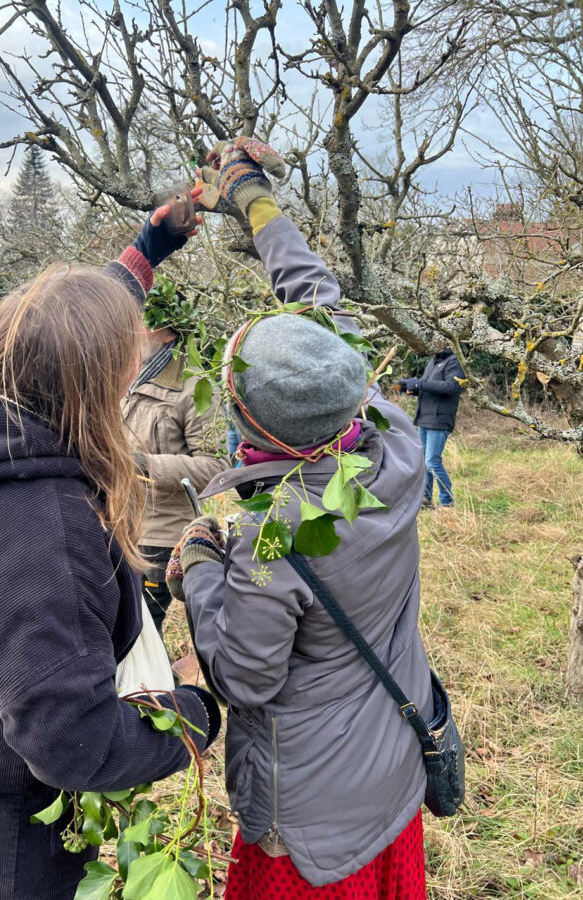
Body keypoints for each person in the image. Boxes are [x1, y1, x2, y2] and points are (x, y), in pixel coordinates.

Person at [0, 201, 221, 900]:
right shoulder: (40, 531)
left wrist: (148, 249)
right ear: (86, 384)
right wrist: (195, 717)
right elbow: (70, 743)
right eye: (120, 366)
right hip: (17, 817)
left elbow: (66, 326)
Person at [168, 137, 433, 899]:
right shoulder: (388, 432)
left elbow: (245, 677)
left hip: (312, 828)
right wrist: (250, 193)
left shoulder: (273, 537)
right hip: (386, 774)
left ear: (256, 429)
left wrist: (201, 565)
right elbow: (313, 293)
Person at [122, 278, 228, 634]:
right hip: (115, 527)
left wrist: (144, 466)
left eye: (141, 321)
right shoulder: (123, 375)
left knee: (141, 635)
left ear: (167, 333)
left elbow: (217, 466)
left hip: (160, 535)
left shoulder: (196, 385)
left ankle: (155, 690)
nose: (132, 329)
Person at [397, 342, 465, 508]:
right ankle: (426, 499)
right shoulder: (433, 361)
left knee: (432, 462)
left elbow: (453, 387)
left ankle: (447, 501)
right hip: (424, 418)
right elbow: (428, 387)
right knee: (423, 462)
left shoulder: (455, 361)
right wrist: (411, 387)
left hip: (440, 419)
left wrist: (421, 384)